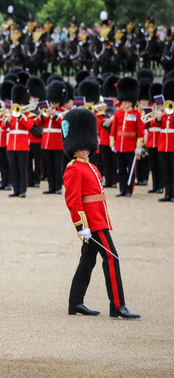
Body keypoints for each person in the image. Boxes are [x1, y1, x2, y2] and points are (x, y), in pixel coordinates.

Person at [62, 109, 140, 319]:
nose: (84, 149)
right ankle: (117, 306)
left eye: (86, 146)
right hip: (93, 224)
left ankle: (75, 302)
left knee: (87, 261)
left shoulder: (91, 167)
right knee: (112, 258)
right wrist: (82, 226)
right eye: (79, 146)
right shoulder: (73, 169)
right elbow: (73, 201)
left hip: (99, 220)